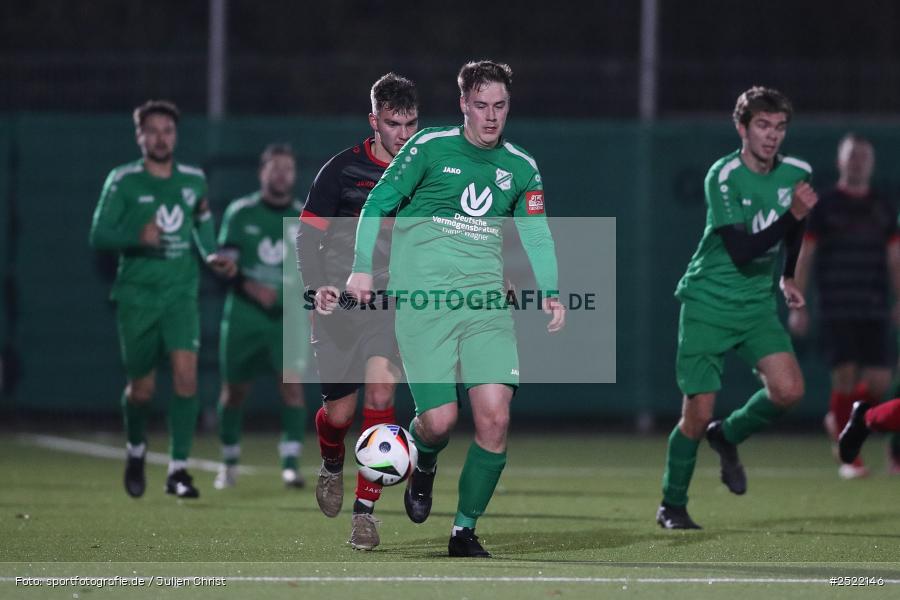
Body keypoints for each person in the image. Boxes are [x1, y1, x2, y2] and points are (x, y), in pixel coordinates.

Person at [346, 60, 565, 558]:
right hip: (424, 306)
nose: (491, 117)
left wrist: (550, 289)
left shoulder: (522, 167)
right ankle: (423, 461)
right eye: (482, 106)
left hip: (487, 305)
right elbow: (376, 204)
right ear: (463, 104)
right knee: (440, 422)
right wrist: (361, 267)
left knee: (494, 419)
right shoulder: (428, 148)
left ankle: (463, 531)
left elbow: (535, 232)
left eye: (501, 106)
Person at [657, 87, 818, 529]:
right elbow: (743, 249)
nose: (772, 136)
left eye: (780, 127)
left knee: (789, 391)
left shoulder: (797, 172)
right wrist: (794, 215)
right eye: (763, 126)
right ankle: (672, 504)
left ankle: (727, 436)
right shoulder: (723, 176)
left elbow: (794, 228)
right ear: (742, 128)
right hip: (708, 302)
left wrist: (787, 276)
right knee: (696, 414)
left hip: (755, 306)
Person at [295, 73, 419, 550]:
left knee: (382, 394)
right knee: (339, 416)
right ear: (374, 121)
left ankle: (364, 514)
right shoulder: (341, 170)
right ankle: (330, 462)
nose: (404, 134)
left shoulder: (423, 171)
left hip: (389, 305)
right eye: (393, 124)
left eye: (411, 123)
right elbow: (307, 233)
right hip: (338, 307)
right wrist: (316, 286)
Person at [89, 99, 236, 499]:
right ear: (139, 135)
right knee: (142, 391)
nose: (160, 138)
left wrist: (211, 256)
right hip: (137, 296)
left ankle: (178, 470)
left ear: (176, 136)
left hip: (180, 294)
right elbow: (99, 234)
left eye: (167, 131)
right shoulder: (123, 180)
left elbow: (202, 223)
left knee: (187, 378)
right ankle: (136, 450)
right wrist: (134, 238)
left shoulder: (193, 180)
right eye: (151, 130)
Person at [789, 134, 900, 478]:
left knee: (881, 383)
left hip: (875, 305)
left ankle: (849, 422)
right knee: (846, 377)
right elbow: (805, 255)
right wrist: (799, 303)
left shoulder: (882, 205)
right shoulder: (825, 206)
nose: (858, 162)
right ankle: (848, 455)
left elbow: (895, 258)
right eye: (852, 156)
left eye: (863, 157)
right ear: (840, 162)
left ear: (872, 162)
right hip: (837, 305)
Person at [214, 144, 309, 490]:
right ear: (262, 172)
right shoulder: (241, 213)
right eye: (275, 168)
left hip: (288, 319)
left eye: (288, 168)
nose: (282, 174)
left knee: (293, 388)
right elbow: (225, 264)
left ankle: (290, 464)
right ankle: (228, 462)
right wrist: (250, 286)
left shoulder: (303, 218)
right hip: (244, 315)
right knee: (234, 392)